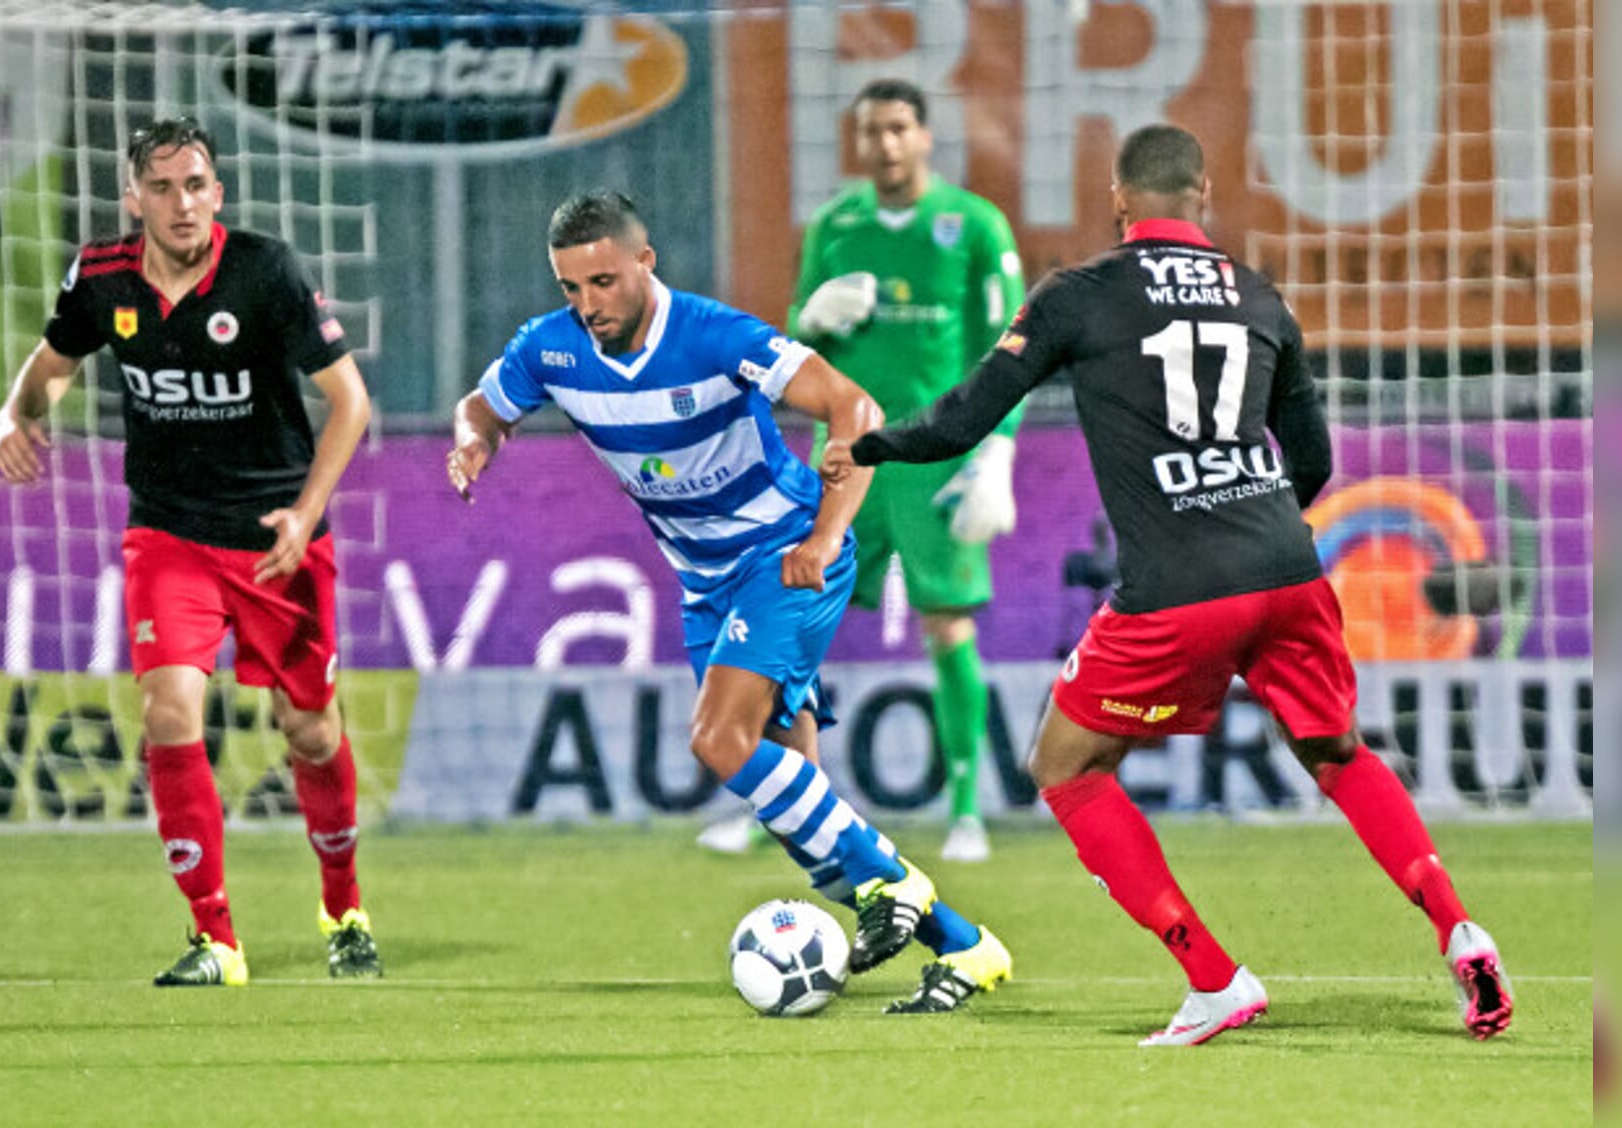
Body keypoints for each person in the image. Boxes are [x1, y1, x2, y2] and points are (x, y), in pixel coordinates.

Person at [828, 125, 1514, 1045]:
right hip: (1286, 568)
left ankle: (1215, 977)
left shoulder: (1077, 295)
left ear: (1120, 201)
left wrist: (869, 444)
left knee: (1064, 769)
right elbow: (1312, 459)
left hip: (1176, 589)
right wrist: (1252, 519)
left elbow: (965, 417)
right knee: (1337, 752)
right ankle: (1457, 925)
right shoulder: (1259, 295)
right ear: (1206, 192)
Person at [447, 189, 1011, 1013]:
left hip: (782, 558)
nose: (586, 305)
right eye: (570, 288)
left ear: (645, 261)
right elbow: (483, 405)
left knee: (719, 739)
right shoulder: (552, 349)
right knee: (798, 810)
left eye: (602, 282)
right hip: (704, 583)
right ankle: (968, 946)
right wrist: (475, 440)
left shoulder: (715, 335)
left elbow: (855, 407)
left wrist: (822, 540)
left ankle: (899, 885)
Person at [0, 118, 380, 987]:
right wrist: (16, 414)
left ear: (218, 193)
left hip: (277, 539)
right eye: (162, 187)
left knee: (311, 729)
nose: (182, 203)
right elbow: (55, 363)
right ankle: (216, 939)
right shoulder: (102, 277)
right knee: (169, 714)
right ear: (133, 198)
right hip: (168, 535)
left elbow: (348, 402)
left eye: (196, 184)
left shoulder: (266, 270)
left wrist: (304, 512)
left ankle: (344, 907)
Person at [729, 77, 1024, 864]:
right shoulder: (835, 225)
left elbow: (1010, 350)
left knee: (947, 622)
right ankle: (769, 792)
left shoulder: (974, 227)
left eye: (900, 128)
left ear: (925, 136)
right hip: (848, 453)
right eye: (873, 132)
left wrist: (999, 452)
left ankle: (967, 810)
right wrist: (810, 321)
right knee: (792, 617)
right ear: (858, 143)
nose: (887, 144)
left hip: (937, 458)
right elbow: (796, 335)